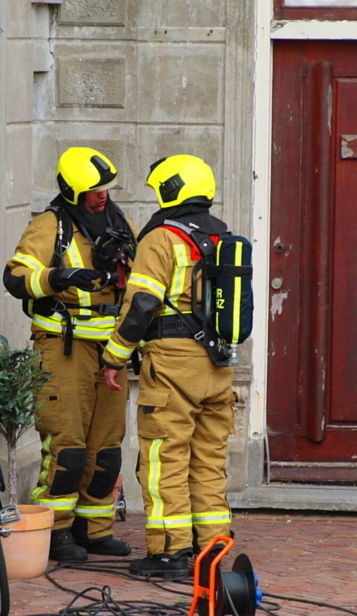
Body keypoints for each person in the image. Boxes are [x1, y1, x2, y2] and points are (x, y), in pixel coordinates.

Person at [102, 154, 235, 579]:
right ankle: (211, 547)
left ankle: (169, 552)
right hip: (217, 364)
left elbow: (142, 303)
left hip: (174, 362)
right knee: (209, 458)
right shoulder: (221, 237)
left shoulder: (163, 238)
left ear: (170, 190)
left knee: (164, 456)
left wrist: (114, 355)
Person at [3, 147, 137, 562]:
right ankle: (56, 531)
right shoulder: (51, 226)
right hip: (65, 348)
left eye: (106, 189)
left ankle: (94, 530)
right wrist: (59, 276)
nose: (102, 196)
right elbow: (16, 277)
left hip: (111, 352)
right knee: (67, 446)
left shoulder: (118, 222)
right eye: (93, 191)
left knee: (106, 448)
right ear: (73, 191)